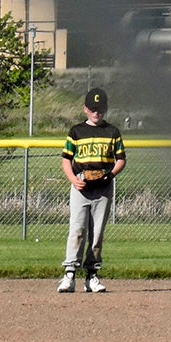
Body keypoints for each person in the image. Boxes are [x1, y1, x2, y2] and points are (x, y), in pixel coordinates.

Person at [59, 86, 126, 293]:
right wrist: (73, 179)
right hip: (81, 186)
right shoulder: (76, 131)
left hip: (103, 188)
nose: (97, 112)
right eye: (93, 108)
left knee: (97, 234)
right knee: (77, 230)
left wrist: (110, 175)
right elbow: (66, 160)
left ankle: (92, 276)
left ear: (105, 109)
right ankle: (69, 275)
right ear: (85, 109)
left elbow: (121, 159)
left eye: (100, 108)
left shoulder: (112, 132)